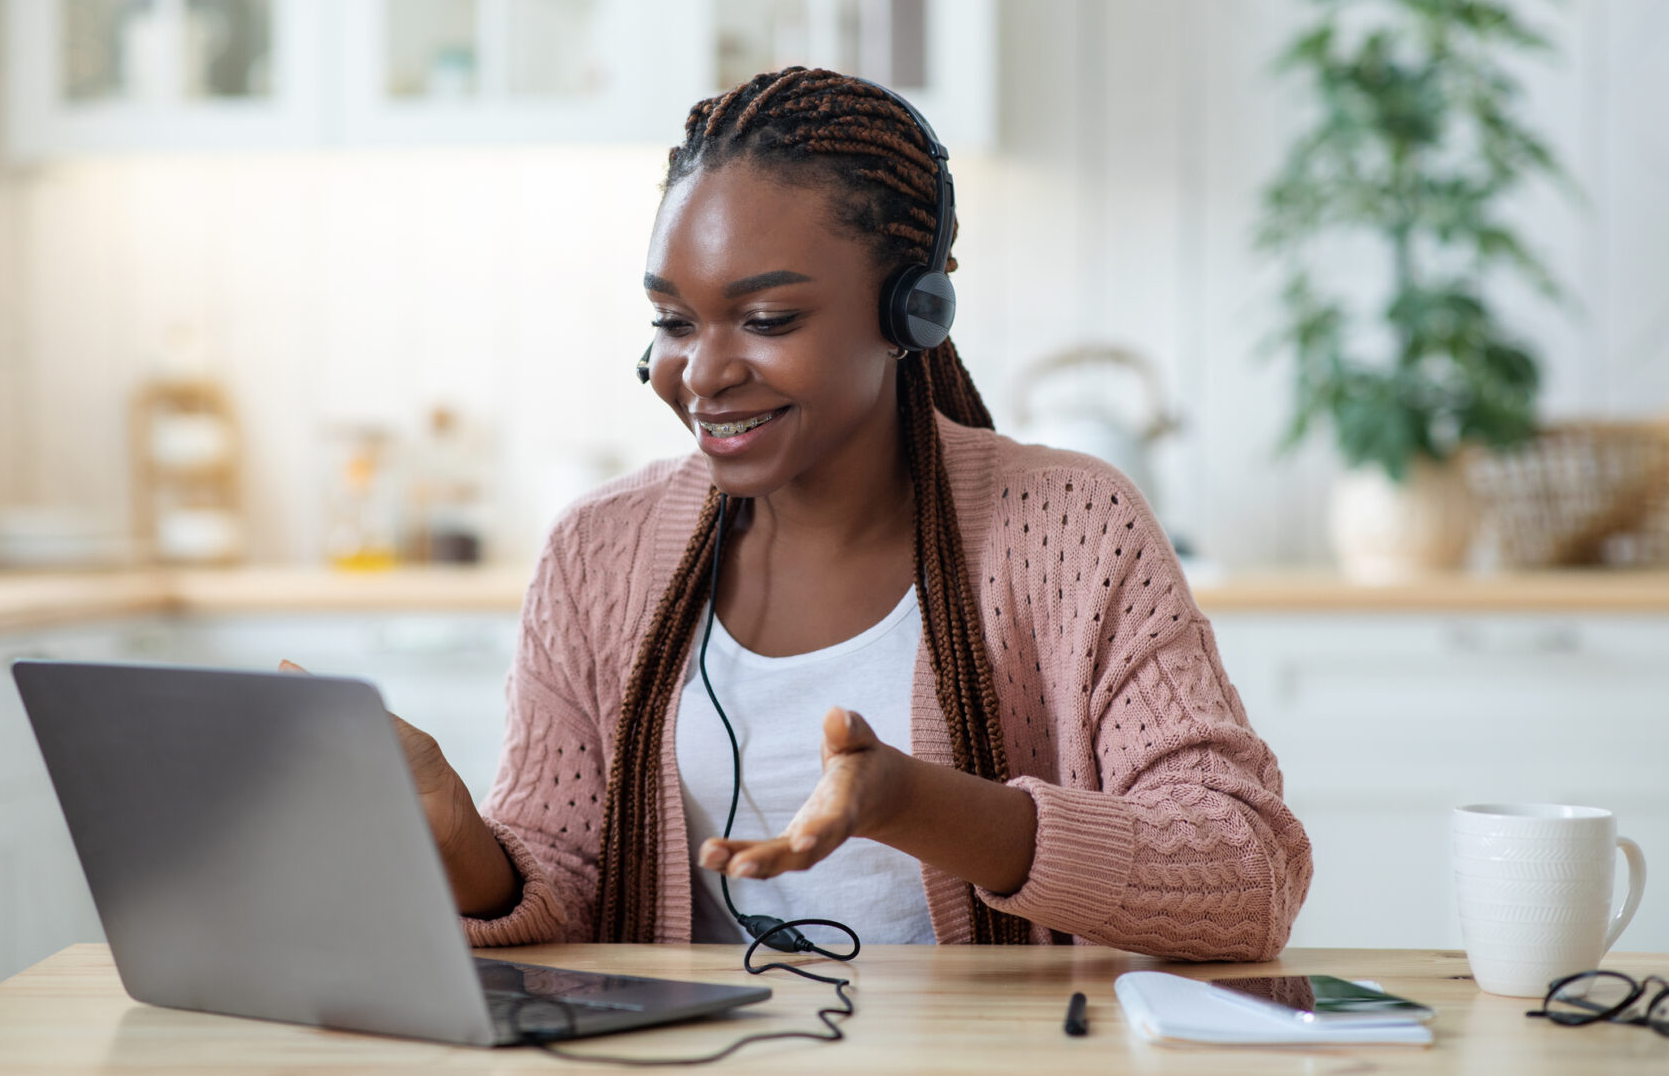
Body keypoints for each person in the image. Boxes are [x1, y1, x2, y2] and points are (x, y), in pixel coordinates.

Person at [344, 67, 1311, 959]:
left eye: (766, 321)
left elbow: (1247, 874)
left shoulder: (1070, 525)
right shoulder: (597, 550)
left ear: (910, 316)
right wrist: (456, 834)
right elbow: (563, 894)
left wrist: (915, 803)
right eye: (674, 323)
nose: (705, 372)